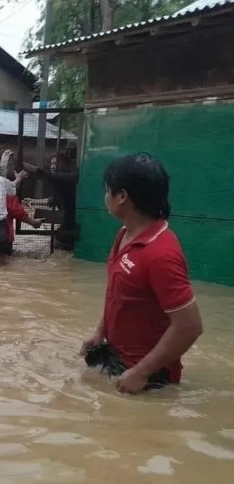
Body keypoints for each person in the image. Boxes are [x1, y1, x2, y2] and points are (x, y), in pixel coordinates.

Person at [80, 153, 203, 394]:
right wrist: (99, 331)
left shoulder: (161, 254)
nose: (106, 197)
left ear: (122, 196)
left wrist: (142, 372)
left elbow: (190, 326)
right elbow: (119, 294)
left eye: (108, 190)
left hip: (148, 379)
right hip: (118, 360)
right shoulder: (125, 234)